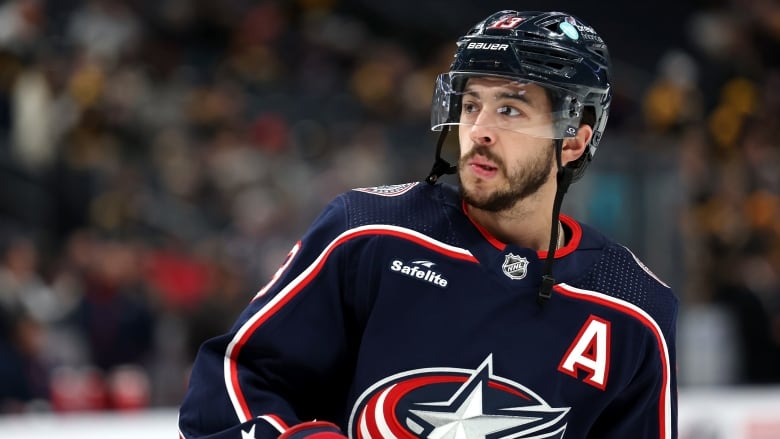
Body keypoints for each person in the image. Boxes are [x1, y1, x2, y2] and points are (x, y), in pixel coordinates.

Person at [178, 10, 678, 439]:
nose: (478, 131)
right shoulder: (368, 232)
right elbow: (229, 383)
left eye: (509, 109)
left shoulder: (633, 308)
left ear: (572, 141)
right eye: (471, 104)